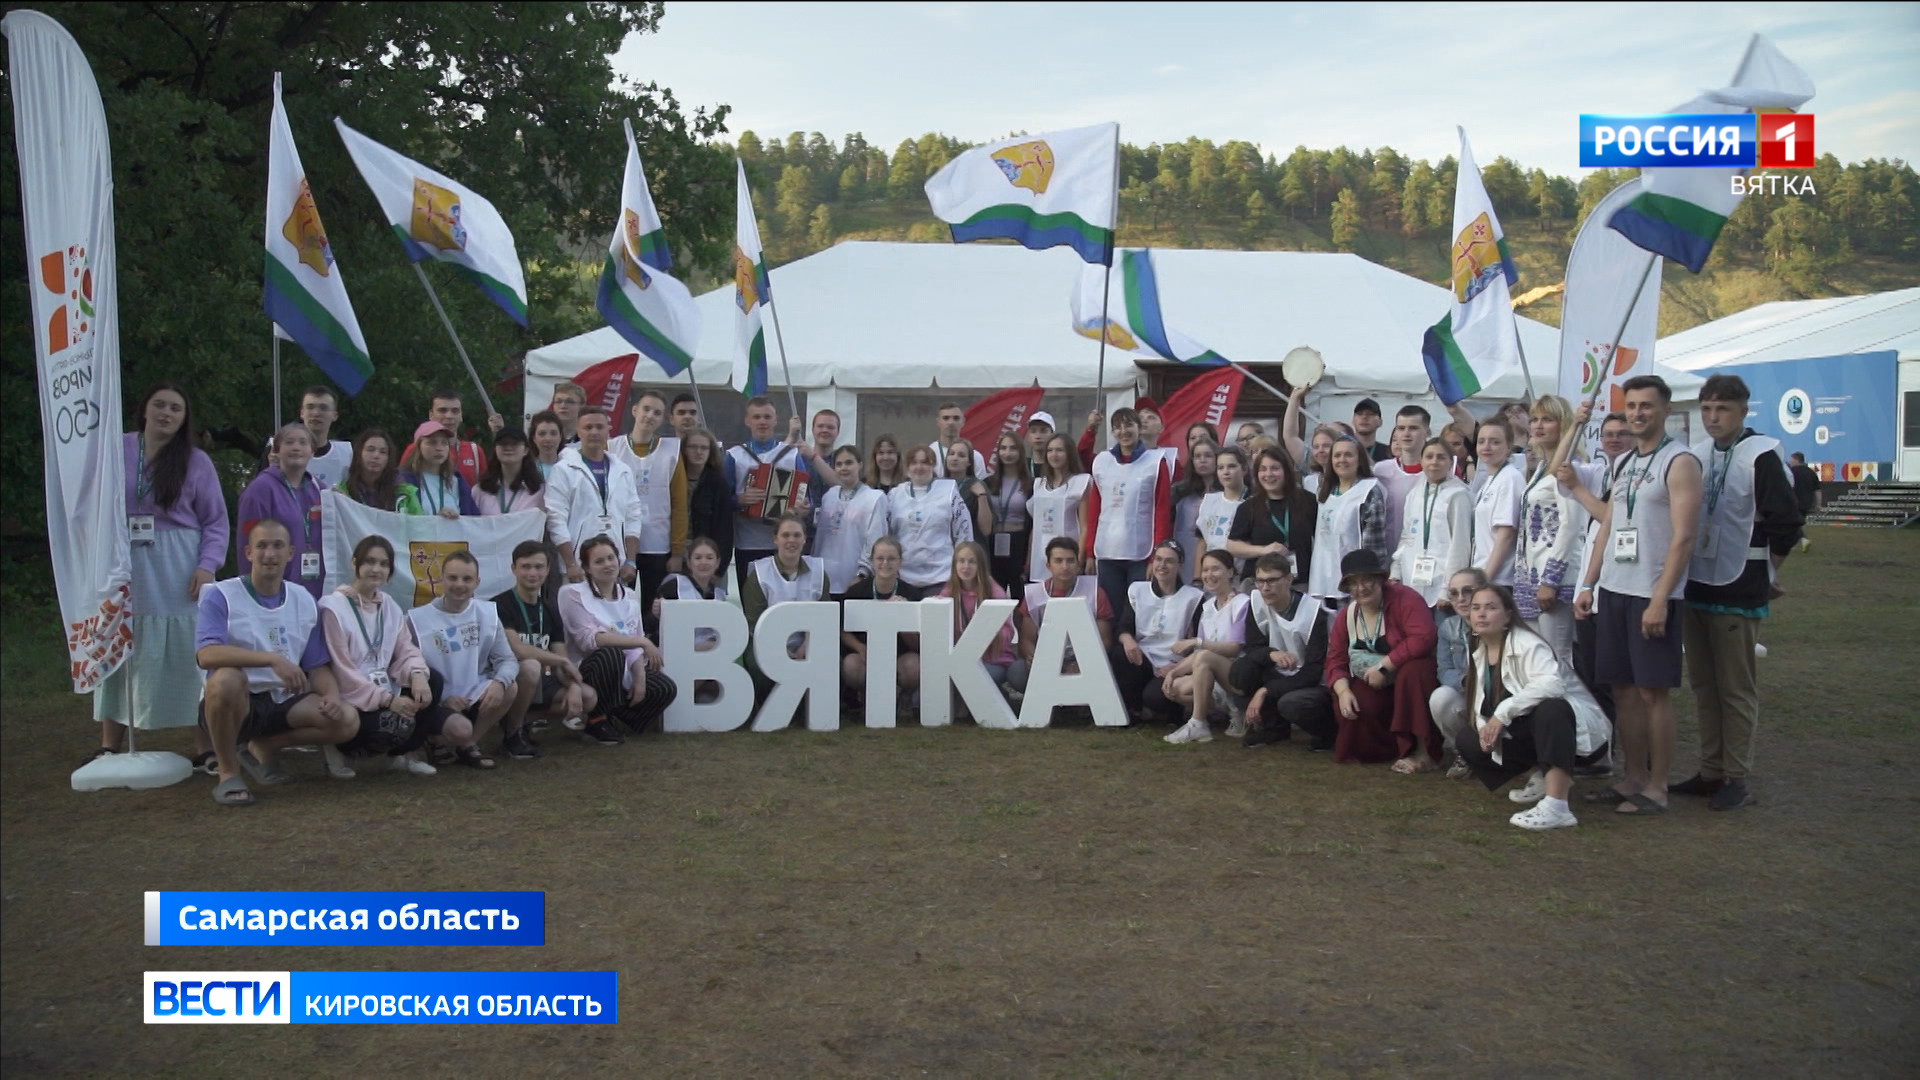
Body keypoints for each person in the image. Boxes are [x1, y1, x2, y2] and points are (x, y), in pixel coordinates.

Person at [1568, 375, 1703, 817]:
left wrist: (1660, 598)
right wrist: (1589, 582)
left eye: (1647, 405)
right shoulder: (1625, 461)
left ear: (1665, 410)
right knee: (1622, 689)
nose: (1638, 413)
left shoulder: (1679, 462)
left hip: (1651, 592)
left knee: (1652, 692)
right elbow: (1608, 524)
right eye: (1632, 406)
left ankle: (1658, 786)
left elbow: (1684, 536)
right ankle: (1633, 776)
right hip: (1614, 590)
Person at [1673, 374, 1803, 810]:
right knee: (1704, 685)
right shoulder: (1696, 454)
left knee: (1735, 687)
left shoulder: (1760, 455)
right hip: (1697, 582)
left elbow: (1786, 522)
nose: (1713, 417)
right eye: (1707, 409)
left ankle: (1737, 777)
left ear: (1743, 411)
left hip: (1740, 584)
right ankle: (1711, 771)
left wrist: (1769, 571)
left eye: (1723, 409)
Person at [92, 383, 229, 769]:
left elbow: (216, 521)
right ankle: (109, 744)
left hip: (179, 565)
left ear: (184, 418)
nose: (166, 413)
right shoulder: (116, 449)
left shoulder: (196, 461)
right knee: (120, 643)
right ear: (144, 409)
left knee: (189, 651)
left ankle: (204, 747)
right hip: (123, 559)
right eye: (160, 405)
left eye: (175, 408)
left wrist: (207, 565)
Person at [197, 519, 356, 806]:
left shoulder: (303, 598)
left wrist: (332, 694)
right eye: (261, 546)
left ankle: (263, 747)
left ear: (290, 553)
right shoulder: (221, 595)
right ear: (248, 553)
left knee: (346, 719)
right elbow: (206, 654)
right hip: (240, 702)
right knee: (225, 680)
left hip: (284, 700)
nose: (269, 554)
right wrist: (271, 659)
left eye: (277, 546)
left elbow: (317, 666)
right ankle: (228, 772)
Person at [1448, 583, 1612, 830]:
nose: (1481, 614)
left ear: (1508, 615)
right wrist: (1485, 730)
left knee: (1551, 708)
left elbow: (1552, 685)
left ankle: (1557, 806)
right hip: (1534, 730)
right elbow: (1483, 704)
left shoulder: (1526, 643)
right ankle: (1542, 775)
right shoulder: (1480, 650)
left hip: (1577, 735)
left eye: (1490, 607)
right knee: (1468, 738)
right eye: (1476, 608)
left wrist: (1500, 716)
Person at [319, 536, 452, 778]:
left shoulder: (388, 605)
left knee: (432, 680)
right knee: (384, 725)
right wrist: (389, 701)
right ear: (354, 563)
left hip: (383, 687)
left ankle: (401, 755)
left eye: (383, 564)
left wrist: (417, 674)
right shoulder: (332, 608)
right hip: (351, 695)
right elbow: (341, 670)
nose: (376, 569)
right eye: (369, 561)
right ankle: (338, 750)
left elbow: (405, 648)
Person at [407, 551, 526, 770]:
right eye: (453, 578)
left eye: (467, 579)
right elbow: (408, 667)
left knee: (510, 687)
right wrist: (443, 699)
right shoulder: (416, 619)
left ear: (477, 582)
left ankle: (468, 745)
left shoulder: (487, 613)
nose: (459, 585)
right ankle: (434, 740)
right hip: (436, 699)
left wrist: (499, 683)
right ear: (441, 579)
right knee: (460, 729)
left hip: (473, 691)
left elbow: (508, 660)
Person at [1324, 550, 1441, 771]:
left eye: (1367, 580)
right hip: (1374, 682)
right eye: (1353, 583)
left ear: (1380, 579)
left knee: (1413, 671)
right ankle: (1387, 749)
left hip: (1410, 676)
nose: (1361, 588)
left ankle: (1423, 751)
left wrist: (1384, 666)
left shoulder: (1406, 599)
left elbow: (1424, 636)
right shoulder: (1346, 616)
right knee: (1356, 702)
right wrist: (1343, 691)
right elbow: (1335, 659)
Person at [559, 534, 676, 741]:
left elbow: (634, 642)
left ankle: (613, 716)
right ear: (587, 568)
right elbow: (590, 640)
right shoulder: (572, 594)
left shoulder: (629, 596)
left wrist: (640, 677)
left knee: (665, 688)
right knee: (611, 653)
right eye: (599, 561)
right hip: (587, 668)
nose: (607, 565)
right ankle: (596, 720)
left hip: (623, 669)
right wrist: (642, 641)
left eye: (611, 558)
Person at [493, 540, 597, 749]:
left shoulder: (549, 609)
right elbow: (518, 649)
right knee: (531, 667)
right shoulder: (499, 605)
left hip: (544, 681)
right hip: (510, 678)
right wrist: (561, 661)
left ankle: (525, 719)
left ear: (548, 569)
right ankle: (513, 733)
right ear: (513, 569)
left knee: (588, 697)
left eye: (538, 567)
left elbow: (562, 657)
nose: (532, 573)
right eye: (526, 567)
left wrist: (573, 686)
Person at [1513, 397, 1588, 663]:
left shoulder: (1570, 468)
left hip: (1554, 575)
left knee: (1558, 658)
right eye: (1534, 419)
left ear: (1562, 424)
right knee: (1539, 659)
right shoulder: (1541, 468)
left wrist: (1550, 581)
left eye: (1547, 419)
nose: (1538, 425)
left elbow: (1571, 526)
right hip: (1532, 574)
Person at [1233, 553, 1335, 750]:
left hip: (1313, 682)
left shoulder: (1313, 612)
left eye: (1272, 580)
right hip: (1281, 673)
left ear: (1289, 579)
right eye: (1260, 581)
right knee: (1241, 671)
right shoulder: (1256, 601)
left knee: (1292, 704)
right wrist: (1271, 654)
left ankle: (1328, 733)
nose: (1265, 588)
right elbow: (1252, 647)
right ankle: (1273, 728)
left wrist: (1265, 690)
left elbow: (1314, 671)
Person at [609, 388, 688, 626]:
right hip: (620, 544)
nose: (650, 416)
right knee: (620, 607)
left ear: (663, 419)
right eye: (646, 409)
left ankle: (652, 648)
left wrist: (677, 551)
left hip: (658, 545)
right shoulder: (612, 448)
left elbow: (679, 504)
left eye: (657, 412)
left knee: (654, 612)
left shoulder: (671, 451)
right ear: (634, 410)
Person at [1086, 406, 1174, 617]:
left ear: (1139, 428)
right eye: (1117, 427)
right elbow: (1094, 511)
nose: (1123, 431)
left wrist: (1156, 556)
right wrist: (1089, 553)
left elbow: (1162, 511)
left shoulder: (1156, 462)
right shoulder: (1102, 462)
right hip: (1107, 551)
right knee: (1111, 612)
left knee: (1139, 612)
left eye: (1128, 425)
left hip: (1141, 553)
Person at [1159, 548, 1251, 743]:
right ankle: (1233, 713)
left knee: (1204, 656)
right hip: (1214, 671)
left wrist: (1197, 642)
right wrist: (1173, 672)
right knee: (1174, 687)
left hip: (1240, 673)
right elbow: (1199, 653)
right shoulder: (1207, 607)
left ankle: (1199, 723)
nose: (1209, 575)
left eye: (1215, 569)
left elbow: (1234, 648)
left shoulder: (1242, 603)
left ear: (1230, 572)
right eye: (1205, 570)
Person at [1109, 541, 1205, 726]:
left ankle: (1171, 711)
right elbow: (1123, 627)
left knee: (1155, 698)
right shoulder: (1138, 590)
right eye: (1158, 559)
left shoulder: (1193, 598)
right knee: (1121, 653)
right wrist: (1128, 641)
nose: (1162, 565)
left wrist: (1179, 668)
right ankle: (1132, 710)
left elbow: (1198, 643)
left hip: (1173, 663)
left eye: (1169, 561)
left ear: (1180, 565)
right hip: (1143, 657)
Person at [545, 406, 644, 586]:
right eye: (588, 427)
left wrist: (630, 560)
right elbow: (556, 519)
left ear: (608, 430)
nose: (594, 432)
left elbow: (633, 516)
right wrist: (570, 564)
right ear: (578, 431)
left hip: (616, 565)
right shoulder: (563, 470)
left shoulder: (623, 470)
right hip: (578, 567)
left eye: (599, 427)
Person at [1007, 537, 1112, 702]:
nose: (1065, 567)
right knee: (1017, 672)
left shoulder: (1094, 591)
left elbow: (1105, 640)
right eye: (1058, 561)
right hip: (1048, 657)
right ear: (1048, 565)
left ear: (1078, 563)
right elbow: (1026, 639)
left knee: (1108, 666)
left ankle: (1079, 701)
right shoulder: (1034, 594)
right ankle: (1050, 701)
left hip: (1082, 658)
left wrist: (1083, 663)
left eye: (1070, 561)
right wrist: (1032, 657)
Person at [742, 513, 830, 703]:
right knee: (758, 666)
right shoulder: (759, 574)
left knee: (831, 660)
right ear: (775, 539)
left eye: (797, 535)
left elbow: (825, 618)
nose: (791, 540)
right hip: (766, 641)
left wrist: (807, 646)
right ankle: (764, 705)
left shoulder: (819, 572)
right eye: (786, 535)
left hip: (807, 642)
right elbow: (754, 622)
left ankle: (811, 707)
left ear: (805, 539)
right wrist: (779, 649)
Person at [237, 423, 328, 600]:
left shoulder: (320, 489)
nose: (296, 447)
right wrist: (251, 591)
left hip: (315, 588)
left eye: (303, 442)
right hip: (273, 590)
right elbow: (247, 543)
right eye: (289, 442)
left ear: (312, 451)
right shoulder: (260, 490)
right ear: (277, 451)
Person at [724, 396, 811, 569]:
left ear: (775, 419)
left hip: (785, 544)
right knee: (750, 587)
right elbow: (722, 500)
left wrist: (803, 509)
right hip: (748, 542)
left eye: (767, 417)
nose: (762, 422)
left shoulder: (791, 454)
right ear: (747, 421)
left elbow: (807, 498)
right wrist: (740, 500)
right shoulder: (734, 455)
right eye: (756, 417)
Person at [1390, 438, 1472, 613]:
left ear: (1450, 462)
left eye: (1441, 457)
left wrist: (1448, 589)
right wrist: (1396, 571)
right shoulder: (1415, 493)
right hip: (1412, 581)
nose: (1434, 462)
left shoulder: (1458, 495)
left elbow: (1460, 545)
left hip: (1442, 584)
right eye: (1429, 457)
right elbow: (1407, 536)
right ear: (1421, 461)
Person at [936, 540, 1017, 712]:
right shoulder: (949, 591)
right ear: (954, 564)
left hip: (993, 659)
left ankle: (995, 698)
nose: (966, 567)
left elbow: (1008, 632)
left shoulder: (994, 592)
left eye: (972, 562)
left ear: (981, 565)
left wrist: (983, 631)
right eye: (961, 561)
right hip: (961, 658)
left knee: (974, 677)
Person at [1307, 436, 1387, 606]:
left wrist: (1367, 581)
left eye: (1348, 455)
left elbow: (1375, 546)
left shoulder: (1368, 491)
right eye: (1337, 455)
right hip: (1322, 578)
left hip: (1355, 582)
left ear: (1359, 460)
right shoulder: (1325, 490)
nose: (1342, 460)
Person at [841, 535, 921, 704]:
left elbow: (917, 645)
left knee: (914, 665)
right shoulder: (856, 592)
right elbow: (841, 629)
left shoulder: (912, 594)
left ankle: (902, 700)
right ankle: (865, 699)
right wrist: (859, 647)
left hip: (900, 655)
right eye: (880, 558)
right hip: (867, 655)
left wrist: (903, 619)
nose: (885, 563)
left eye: (891, 558)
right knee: (850, 665)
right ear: (872, 561)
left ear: (900, 562)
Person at [1227, 445, 1316, 588]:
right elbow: (1232, 545)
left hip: (1300, 582)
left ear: (1286, 470)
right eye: (1263, 469)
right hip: (1260, 584)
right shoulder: (1249, 507)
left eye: (1275, 468)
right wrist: (1264, 550)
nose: (1268, 474)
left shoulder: (1308, 501)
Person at [1428, 567, 1489, 774]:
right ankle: (1465, 752)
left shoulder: (1500, 623)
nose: (1461, 599)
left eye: (1468, 591)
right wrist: (1465, 681)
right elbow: (1443, 671)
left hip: (1496, 695)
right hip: (1467, 693)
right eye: (1453, 593)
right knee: (1441, 698)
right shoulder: (1448, 627)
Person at [888, 445, 973, 593]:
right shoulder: (895, 495)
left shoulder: (948, 492)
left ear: (933, 465)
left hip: (941, 576)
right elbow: (887, 534)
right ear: (908, 467)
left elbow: (964, 532)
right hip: (903, 577)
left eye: (924, 462)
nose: (919, 467)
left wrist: (961, 567)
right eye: (914, 463)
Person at [813, 446, 889, 599]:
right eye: (839, 464)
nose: (843, 468)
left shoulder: (874, 498)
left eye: (849, 463)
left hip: (854, 579)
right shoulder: (829, 496)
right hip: (823, 579)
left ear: (859, 465)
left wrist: (862, 573)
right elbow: (819, 538)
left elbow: (875, 540)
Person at [1469, 415, 1524, 587]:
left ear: (1508, 446)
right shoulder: (1490, 480)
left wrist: (1486, 579)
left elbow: (1506, 535)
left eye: (1495, 442)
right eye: (1481, 441)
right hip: (1483, 571)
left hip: (1498, 579)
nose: (1486, 447)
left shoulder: (1510, 478)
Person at [1026, 433, 1090, 582]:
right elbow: (1036, 526)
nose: (1054, 455)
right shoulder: (1039, 484)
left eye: (1059, 450)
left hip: (1067, 556)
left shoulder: (1081, 482)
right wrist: (1029, 559)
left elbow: (1085, 526)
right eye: (1050, 450)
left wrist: (1079, 558)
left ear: (1069, 453)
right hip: (1041, 557)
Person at [402, 388, 499, 485]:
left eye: (455, 411)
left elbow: (486, 487)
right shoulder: (416, 448)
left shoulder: (474, 451)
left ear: (461, 415)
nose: (449, 416)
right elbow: (402, 484)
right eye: (442, 410)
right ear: (431, 415)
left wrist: (498, 433)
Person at [266, 385, 354, 491]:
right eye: (310, 407)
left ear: (334, 415)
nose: (316, 413)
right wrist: (273, 470)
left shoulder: (347, 453)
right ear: (302, 413)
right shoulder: (277, 449)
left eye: (323, 408)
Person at [1372, 405, 1432, 544]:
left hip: (1424, 549)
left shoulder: (1439, 470)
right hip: (1387, 548)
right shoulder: (1380, 470)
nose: (1406, 433)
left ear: (1427, 431)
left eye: (1413, 428)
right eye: (1401, 428)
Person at [399, 420, 482, 519]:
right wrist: (435, 520)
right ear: (418, 447)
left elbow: (473, 520)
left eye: (444, 443)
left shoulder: (457, 481)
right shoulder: (405, 480)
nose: (439, 448)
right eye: (432, 442)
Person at [680, 428, 734, 577]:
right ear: (684, 449)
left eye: (704, 448)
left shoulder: (718, 482)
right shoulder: (673, 477)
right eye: (693, 447)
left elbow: (724, 528)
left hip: (707, 555)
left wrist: (719, 569)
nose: (699, 452)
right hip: (676, 552)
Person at [983, 433, 1032, 590]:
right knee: (995, 593)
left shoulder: (1031, 484)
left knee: (1019, 591)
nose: (1007, 453)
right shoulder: (988, 482)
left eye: (1013, 448)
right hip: (993, 542)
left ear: (1020, 452)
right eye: (1003, 448)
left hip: (1019, 542)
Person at [1194, 446, 1248, 582]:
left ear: (1244, 469)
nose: (1226, 472)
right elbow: (1202, 543)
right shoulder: (1209, 501)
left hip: (1241, 576)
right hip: (1212, 576)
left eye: (1231, 466)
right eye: (1220, 468)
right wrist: (1197, 577)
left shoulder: (1254, 502)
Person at [335, 428, 420, 513]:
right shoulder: (342, 491)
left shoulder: (405, 493)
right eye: (370, 450)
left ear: (388, 458)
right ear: (359, 453)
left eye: (383, 452)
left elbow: (418, 520)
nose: (376, 456)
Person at [1170, 439, 1218, 585]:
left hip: (1214, 553)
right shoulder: (1180, 491)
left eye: (1208, 456)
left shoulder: (1226, 492)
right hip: (1185, 551)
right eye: (1197, 456)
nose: (1202, 460)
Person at [474, 427, 545, 518]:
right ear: (495, 449)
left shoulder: (539, 491)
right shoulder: (480, 490)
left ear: (525, 450)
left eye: (515, 443)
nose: (508, 447)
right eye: (503, 443)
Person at [1077, 395, 1163, 467]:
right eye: (1140, 417)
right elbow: (1082, 460)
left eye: (1151, 417)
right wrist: (1091, 430)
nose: (1144, 420)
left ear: (1162, 427)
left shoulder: (1165, 459)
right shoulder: (1107, 460)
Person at [946, 438, 995, 541]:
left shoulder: (977, 485)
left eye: (961, 455)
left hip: (970, 545)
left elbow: (986, 530)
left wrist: (982, 496)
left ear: (969, 462)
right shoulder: (938, 485)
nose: (955, 458)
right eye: (951, 454)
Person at [930, 401, 989, 479]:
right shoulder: (929, 454)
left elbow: (981, 485)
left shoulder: (975, 457)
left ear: (963, 422)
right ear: (938, 422)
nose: (951, 422)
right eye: (946, 418)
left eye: (956, 418)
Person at [1788, 451, 1821, 549]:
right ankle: (1796, 543)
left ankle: (1803, 539)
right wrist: (1818, 504)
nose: (1790, 462)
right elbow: (1817, 490)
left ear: (1796, 460)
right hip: (1807, 503)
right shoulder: (1811, 473)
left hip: (1793, 502)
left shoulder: (1791, 472)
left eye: (1791, 459)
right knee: (1796, 523)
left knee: (1792, 523)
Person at [1351, 397, 1392, 464]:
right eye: (1360, 413)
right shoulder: (1344, 450)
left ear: (1380, 422)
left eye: (1371, 414)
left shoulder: (1388, 453)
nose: (1364, 417)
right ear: (1353, 420)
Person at [528, 411, 567, 479]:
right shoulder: (528, 469)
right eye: (542, 434)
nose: (548, 439)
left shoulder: (569, 468)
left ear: (560, 437)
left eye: (553, 433)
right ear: (534, 438)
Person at [1024, 411, 1057, 478]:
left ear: (1052, 435)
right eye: (1033, 431)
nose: (1038, 436)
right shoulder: (1022, 466)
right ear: (1028, 436)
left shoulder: (1059, 466)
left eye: (1043, 431)